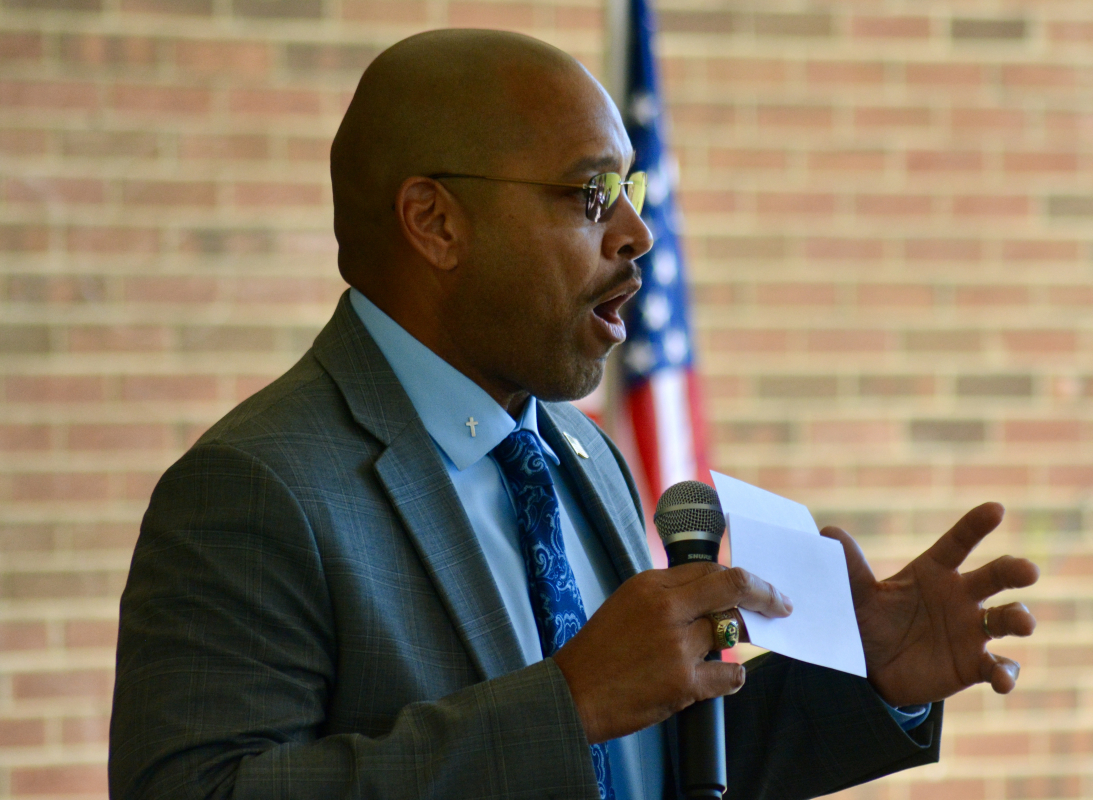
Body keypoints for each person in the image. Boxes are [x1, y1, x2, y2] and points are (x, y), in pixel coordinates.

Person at [109, 29, 1039, 800]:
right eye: (590, 193)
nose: (636, 234)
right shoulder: (258, 488)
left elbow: (642, 763)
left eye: (629, 192)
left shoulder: (581, 454)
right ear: (435, 223)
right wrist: (566, 702)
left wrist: (868, 682)